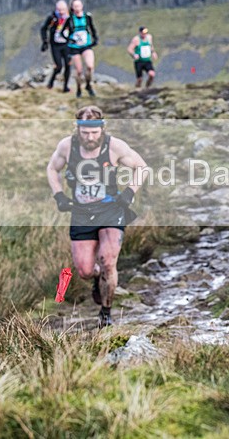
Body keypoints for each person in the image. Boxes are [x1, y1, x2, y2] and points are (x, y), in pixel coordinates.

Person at [46, 105, 148, 327]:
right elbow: (52, 169)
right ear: (77, 129)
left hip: (110, 211)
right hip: (81, 213)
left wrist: (129, 192)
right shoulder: (67, 146)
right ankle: (97, 281)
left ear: (102, 128)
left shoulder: (114, 146)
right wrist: (59, 196)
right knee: (84, 270)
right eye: (85, 133)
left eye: (94, 132)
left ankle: (106, 312)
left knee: (108, 261)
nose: (90, 137)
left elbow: (141, 167)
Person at [62, 0, 98, 98]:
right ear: (72, 8)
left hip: (86, 45)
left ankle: (88, 85)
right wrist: (69, 39)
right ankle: (78, 88)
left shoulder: (87, 17)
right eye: (75, 6)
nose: (77, 8)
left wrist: (95, 39)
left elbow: (92, 28)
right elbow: (62, 32)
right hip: (74, 47)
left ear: (82, 6)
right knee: (79, 70)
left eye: (78, 5)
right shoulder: (69, 19)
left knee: (90, 66)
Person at [40, 0, 72, 92]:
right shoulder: (52, 18)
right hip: (55, 45)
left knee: (68, 65)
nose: (61, 12)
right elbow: (43, 28)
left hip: (67, 45)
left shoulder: (70, 18)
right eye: (59, 10)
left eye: (63, 10)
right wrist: (45, 41)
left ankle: (65, 87)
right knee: (58, 66)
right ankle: (51, 83)